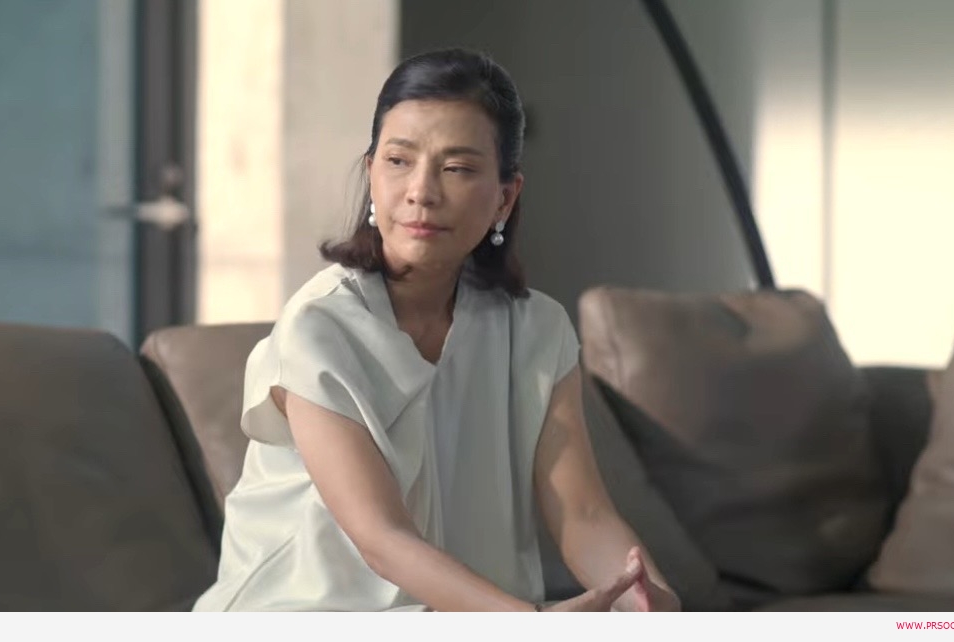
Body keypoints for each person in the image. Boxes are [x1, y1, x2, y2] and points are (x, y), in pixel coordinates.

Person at [192, 48, 680, 613]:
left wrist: (650, 602)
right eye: (399, 161)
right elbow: (382, 539)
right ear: (371, 173)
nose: (421, 191)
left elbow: (584, 515)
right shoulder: (318, 330)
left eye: (457, 169)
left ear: (504, 197)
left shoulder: (536, 331)